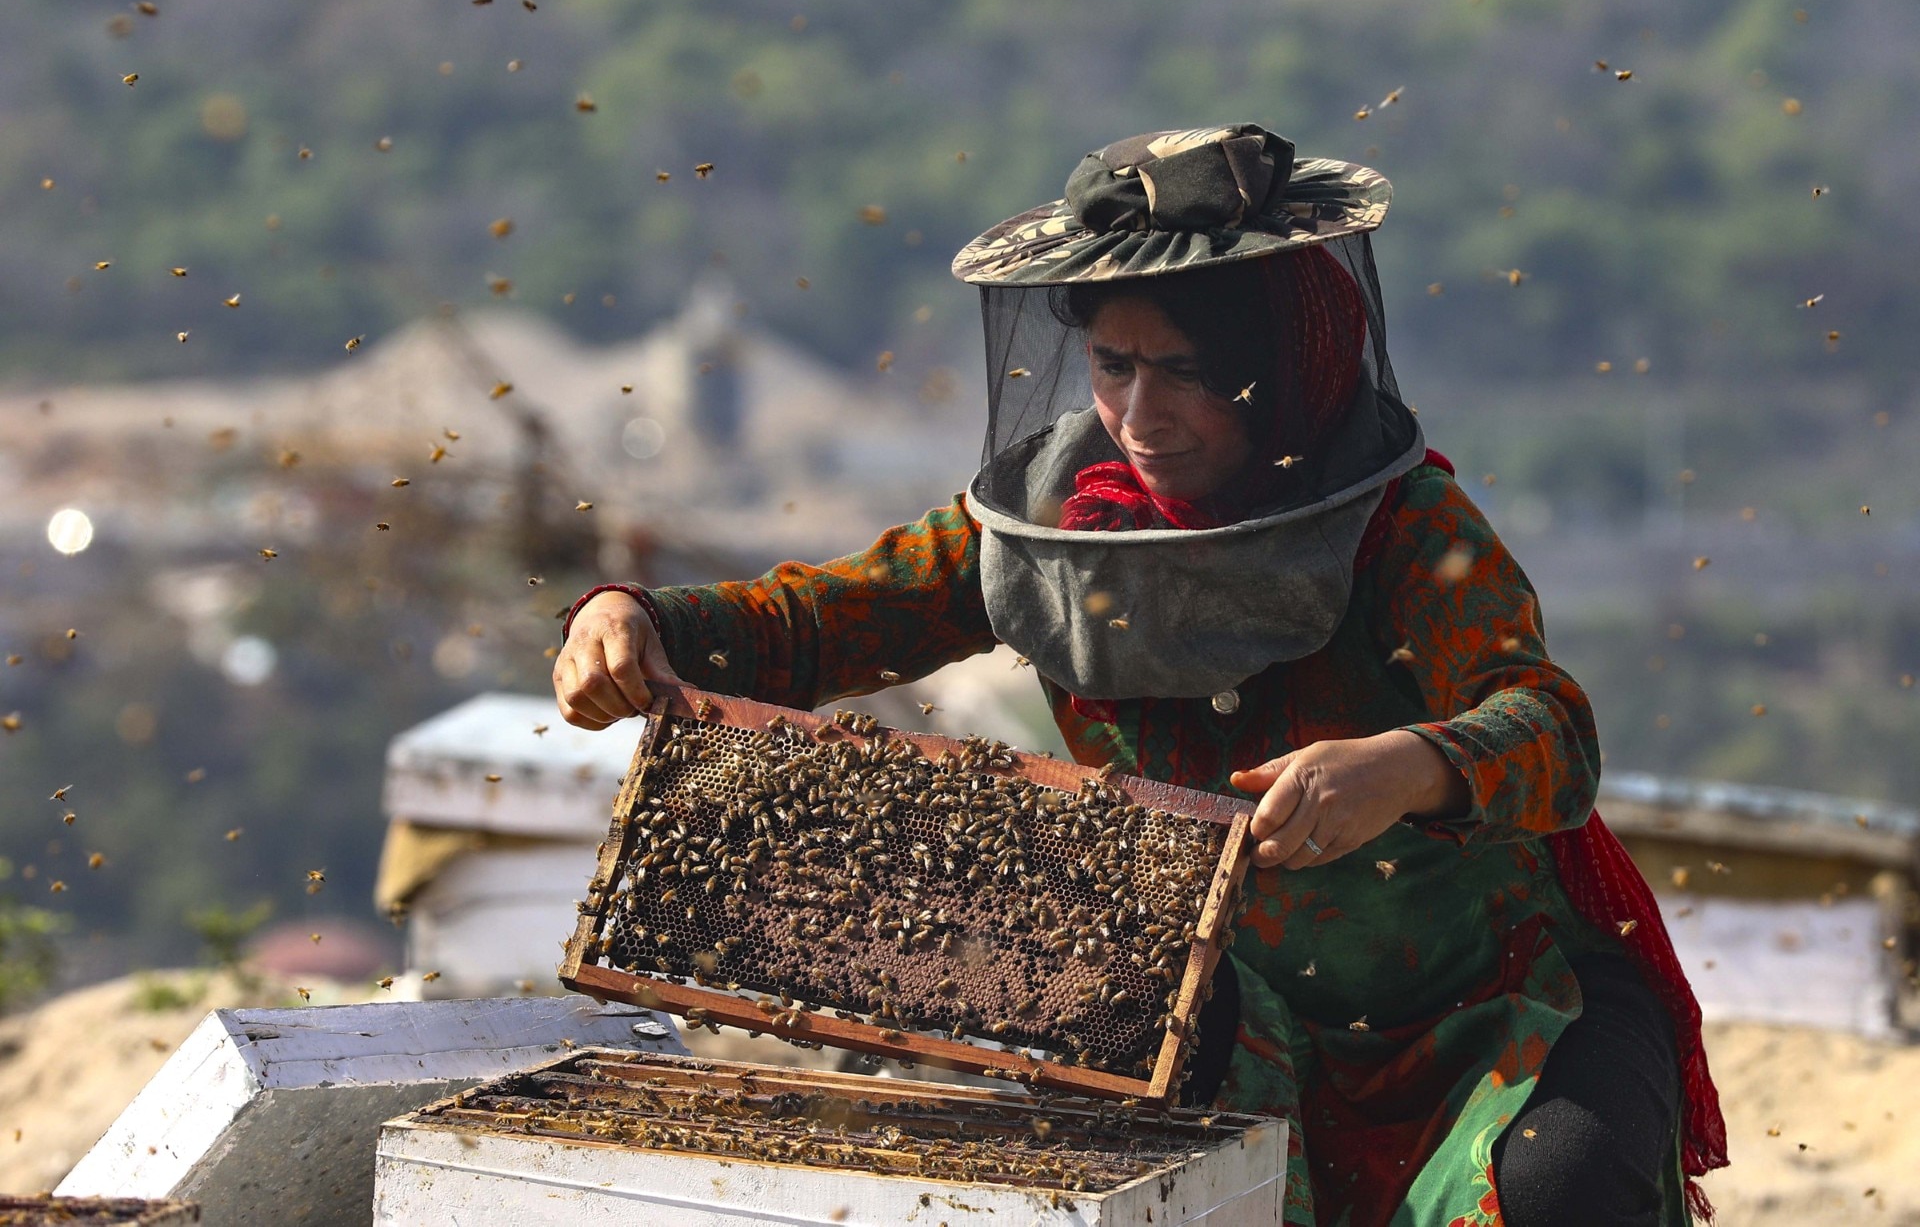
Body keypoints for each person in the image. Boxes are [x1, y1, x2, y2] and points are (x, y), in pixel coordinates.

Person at [553, 124, 1728, 1225]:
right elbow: (823, 620)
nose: (1139, 414)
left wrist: (1406, 766)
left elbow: (1553, 731)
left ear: (1288, 372)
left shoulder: (1406, 528)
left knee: (1566, 1184)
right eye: (1112, 366)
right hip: (1230, 1014)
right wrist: (633, 618)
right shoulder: (1049, 526)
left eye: (1188, 373)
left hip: (1487, 1011)